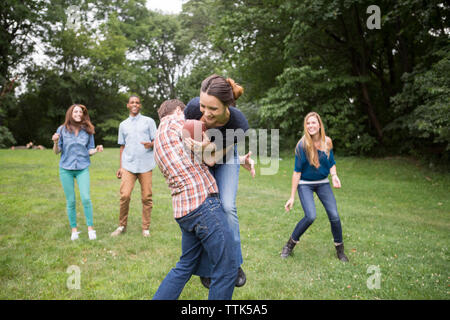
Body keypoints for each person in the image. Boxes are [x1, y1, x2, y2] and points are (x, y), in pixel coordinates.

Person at [152, 99, 238, 300]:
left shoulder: (158, 138)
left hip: (184, 211)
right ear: (180, 110)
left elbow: (192, 157)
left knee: (184, 265)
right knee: (226, 267)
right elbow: (210, 152)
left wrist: (238, 160)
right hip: (203, 205)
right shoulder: (183, 123)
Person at [184, 74, 255, 289]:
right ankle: (207, 268)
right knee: (207, 210)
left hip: (224, 157)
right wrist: (195, 148)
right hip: (199, 158)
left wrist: (206, 148)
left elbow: (216, 157)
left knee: (226, 207)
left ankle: (233, 264)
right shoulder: (193, 109)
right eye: (203, 106)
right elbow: (185, 139)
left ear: (228, 106)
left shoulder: (239, 123)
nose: (205, 113)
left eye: (213, 109)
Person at [282, 111, 349, 262]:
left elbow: (331, 163)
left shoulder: (327, 142)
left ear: (319, 125)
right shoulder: (302, 145)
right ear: (305, 126)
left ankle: (340, 250)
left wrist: (334, 176)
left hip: (323, 183)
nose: (311, 126)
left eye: (313, 122)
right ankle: (289, 245)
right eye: (308, 123)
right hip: (305, 184)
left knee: (334, 216)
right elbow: (296, 172)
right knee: (311, 216)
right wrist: (292, 197)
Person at [52, 104, 103, 241]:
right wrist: (56, 142)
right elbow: (57, 151)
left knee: (86, 198)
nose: (78, 114)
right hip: (66, 169)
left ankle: (90, 229)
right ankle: (74, 230)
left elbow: (89, 150)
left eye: (80, 112)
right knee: (71, 201)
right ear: (70, 113)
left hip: (82, 168)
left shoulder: (88, 130)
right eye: (75, 112)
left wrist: (96, 150)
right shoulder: (62, 130)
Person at [111, 95, 157, 238]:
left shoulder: (149, 122)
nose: (135, 104)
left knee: (146, 197)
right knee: (124, 195)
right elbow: (122, 147)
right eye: (132, 102)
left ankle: (145, 228)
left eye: (137, 102)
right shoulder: (123, 125)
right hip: (128, 165)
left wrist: (151, 144)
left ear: (140, 105)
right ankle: (122, 226)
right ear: (128, 105)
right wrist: (120, 167)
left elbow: (157, 141)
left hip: (145, 165)